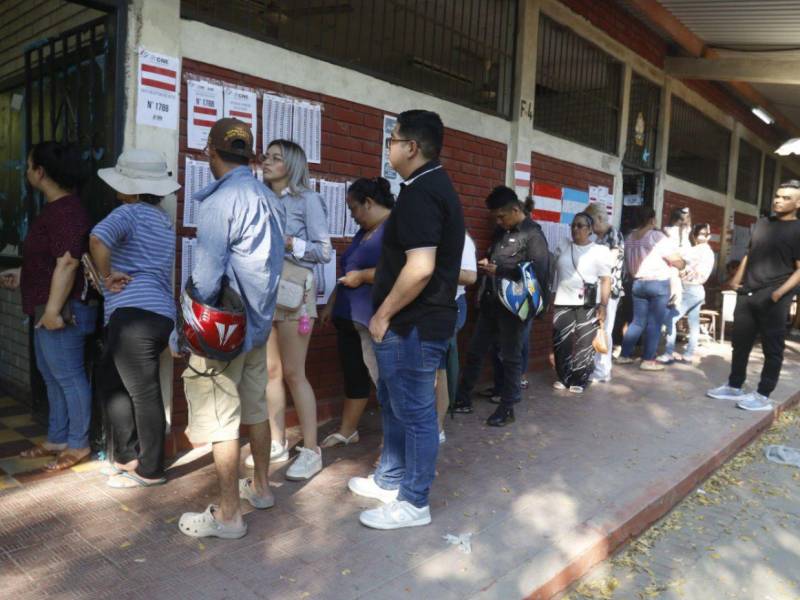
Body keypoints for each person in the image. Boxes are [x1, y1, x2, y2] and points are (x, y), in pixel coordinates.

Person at [347, 110, 464, 530]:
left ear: (411, 147)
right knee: (395, 405)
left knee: (415, 413)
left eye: (391, 140)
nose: (388, 148)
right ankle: (391, 479)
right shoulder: (424, 187)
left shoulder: (422, 193)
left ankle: (414, 502)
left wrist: (383, 313)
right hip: (411, 323)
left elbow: (420, 267)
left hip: (414, 324)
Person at [177, 119, 283, 539]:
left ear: (210, 151)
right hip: (258, 327)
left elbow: (205, 280)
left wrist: (184, 331)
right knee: (254, 409)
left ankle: (228, 516)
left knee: (222, 420)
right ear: (251, 154)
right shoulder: (267, 197)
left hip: (223, 332)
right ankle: (260, 488)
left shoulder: (221, 201)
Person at [1, 142, 96, 471]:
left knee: (68, 376)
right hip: (48, 307)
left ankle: (78, 442)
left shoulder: (67, 210)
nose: (27, 172)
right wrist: (23, 273)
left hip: (64, 310)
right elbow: (51, 261)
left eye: (29, 166)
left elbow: (68, 263)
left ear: (40, 173)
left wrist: (54, 310)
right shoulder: (56, 209)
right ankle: (58, 437)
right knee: (52, 375)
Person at [89, 149, 179, 488]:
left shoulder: (128, 212)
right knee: (112, 383)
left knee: (142, 391)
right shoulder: (162, 220)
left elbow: (97, 238)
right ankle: (127, 457)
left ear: (134, 188)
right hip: (158, 315)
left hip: (132, 317)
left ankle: (151, 469)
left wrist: (107, 274)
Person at [259, 139, 332, 481]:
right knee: (270, 372)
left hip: (293, 294)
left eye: (276, 158)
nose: (267, 162)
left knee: (293, 372)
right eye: (266, 156)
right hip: (263, 292)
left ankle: (312, 450)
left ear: (292, 164)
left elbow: (324, 251)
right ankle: (277, 442)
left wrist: (289, 242)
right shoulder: (260, 197)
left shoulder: (308, 200)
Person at [451, 186, 550, 425]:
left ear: (516, 210)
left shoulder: (533, 235)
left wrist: (502, 269)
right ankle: (462, 399)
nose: (498, 221)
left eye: (501, 216)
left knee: (511, 357)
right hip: (491, 302)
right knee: (475, 351)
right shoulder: (502, 232)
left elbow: (538, 273)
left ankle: (508, 409)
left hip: (514, 309)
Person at [707, 181, 800, 411]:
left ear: (798, 203)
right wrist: (735, 281)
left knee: (772, 348)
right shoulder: (761, 224)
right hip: (747, 292)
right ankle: (734, 385)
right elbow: (750, 255)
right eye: (777, 196)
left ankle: (763, 394)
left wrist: (778, 294)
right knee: (740, 344)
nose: (778, 200)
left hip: (774, 297)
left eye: (786, 198)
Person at [318, 177, 394, 447]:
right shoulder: (364, 232)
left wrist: (362, 276)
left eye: (354, 209)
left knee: (385, 381)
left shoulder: (396, 229)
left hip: (373, 321)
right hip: (349, 319)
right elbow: (347, 271)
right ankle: (348, 430)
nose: (352, 216)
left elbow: (400, 271)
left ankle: (397, 439)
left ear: (369, 203)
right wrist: (331, 302)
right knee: (355, 376)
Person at [616, 206, 684, 371]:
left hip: (637, 284)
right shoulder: (656, 236)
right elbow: (676, 260)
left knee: (637, 322)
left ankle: (624, 355)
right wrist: (682, 263)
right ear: (652, 219)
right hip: (658, 284)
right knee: (654, 323)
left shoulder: (629, 237)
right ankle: (648, 360)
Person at [551, 212, 611, 393]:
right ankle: (564, 377)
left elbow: (606, 280)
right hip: (562, 300)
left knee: (585, 342)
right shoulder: (563, 245)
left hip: (587, 303)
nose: (575, 229)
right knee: (561, 342)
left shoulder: (600, 251)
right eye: (573, 225)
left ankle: (579, 379)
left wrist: (603, 305)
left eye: (580, 225)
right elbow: (553, 273)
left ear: (590, 229)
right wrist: (549, 295)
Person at [434, 230, 477, 442]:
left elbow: (470, 275)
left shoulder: (461, 239)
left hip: (451, 306)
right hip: (428, 307)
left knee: (439, 368)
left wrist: (434, 268)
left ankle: (437, 427)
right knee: (432, 368)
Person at [657, 223, 715, 365]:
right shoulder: (709, 251)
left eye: (703, 234)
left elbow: (678, 254)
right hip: (699, 290)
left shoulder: (698, 250)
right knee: (693, 323)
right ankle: (688, 354)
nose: (701, 237)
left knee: (670, 319)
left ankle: (668, 353)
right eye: (700, 234)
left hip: (691, 289)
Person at [585, 202, 624, 383]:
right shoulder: (601, 237)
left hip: (608, 292)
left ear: (600, 218)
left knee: (604, 330)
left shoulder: (613, 235)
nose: (590, 228)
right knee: (598, 329)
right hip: (600, 289)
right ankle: (598, 368)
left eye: (591, 223)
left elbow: (608, 263)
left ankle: (602, 371)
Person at [663, 207, 691, 307]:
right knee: (675, 300)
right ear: (680, 220)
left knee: (670, 298)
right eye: (685, 218)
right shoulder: (683, 232)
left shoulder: (666, 230)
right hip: (678, 266)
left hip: (671, 266)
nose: (687, 221)